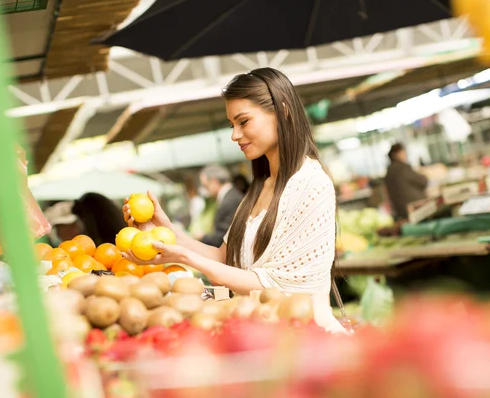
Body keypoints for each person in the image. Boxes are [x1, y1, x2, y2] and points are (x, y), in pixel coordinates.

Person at [122, 67, 345, 333]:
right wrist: (166, 232)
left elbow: (275, 286)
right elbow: (225, 257)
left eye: (243, 121)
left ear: (283, 111)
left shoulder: (311, 183)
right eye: (232, 125)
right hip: (260, 336)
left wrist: (185, 257)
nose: (234, 135)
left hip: (306, 342)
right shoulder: (261, 186)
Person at [197, 165, 244, 247]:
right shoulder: (232, 195)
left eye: (206, 186)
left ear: (214, 181)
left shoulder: (229, 201)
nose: (206, 190)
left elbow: (225, 237)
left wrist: (203, 237)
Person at [384, 143, 428, 220]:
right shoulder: (402, 168)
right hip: (414, 208)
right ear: (395, 155)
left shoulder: (389, 170)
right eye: (402, 153)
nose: (405, 155)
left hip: (400, 211)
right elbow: (423, 181)